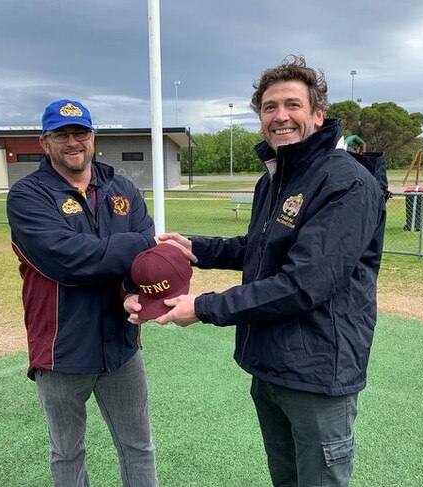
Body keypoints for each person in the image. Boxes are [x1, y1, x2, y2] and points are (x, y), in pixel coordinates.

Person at [125, 55, 386, 486]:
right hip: (272, 363)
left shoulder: (346, 182)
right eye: (269, 107)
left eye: (292, 105)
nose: (280, 116)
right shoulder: (276, 177)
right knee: (283, 477)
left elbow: (304, 284)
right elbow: (260, 249)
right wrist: (197, 249)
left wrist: (204, 306)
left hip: (318, 372)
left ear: (318, 115)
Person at [7, 99, 163, 487]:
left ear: (93, 138)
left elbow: (147, 260)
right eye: (62, 134)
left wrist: (129, 288)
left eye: (80, 133)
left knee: (138, 446)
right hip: (62, 349)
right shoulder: (28, 196)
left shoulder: (121, 186)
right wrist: (136, 243)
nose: (72, 142)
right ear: (45, 143)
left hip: (122, 345)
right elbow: (69, 262)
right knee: (67, 453)